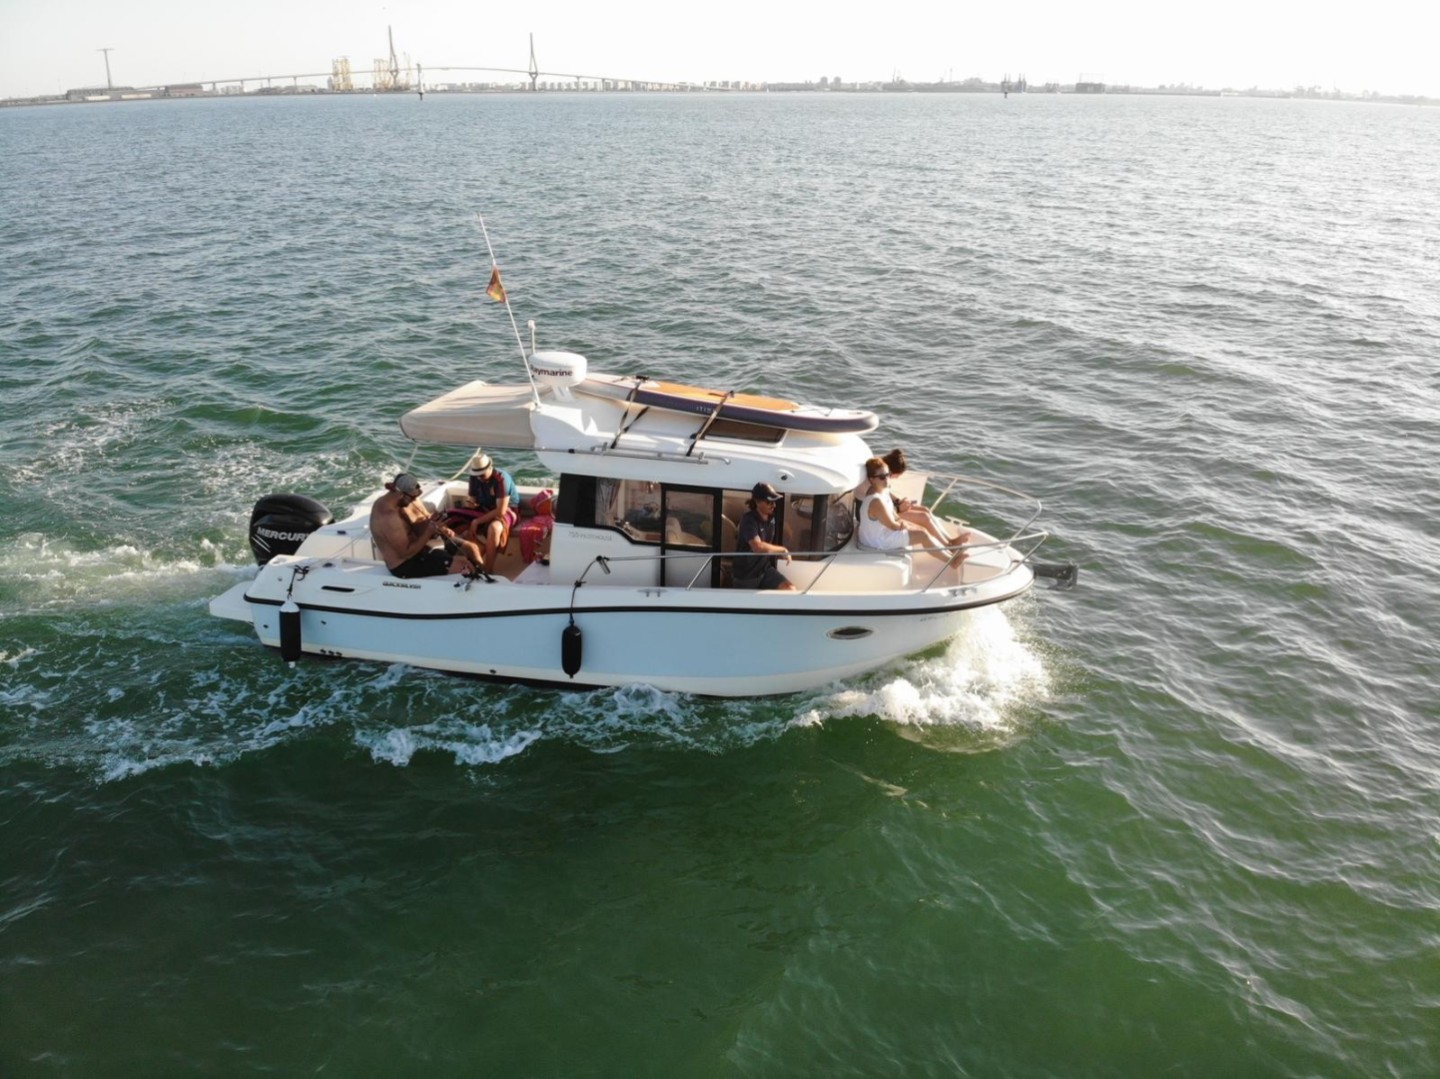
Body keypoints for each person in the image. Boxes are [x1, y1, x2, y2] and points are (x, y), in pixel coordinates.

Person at [369, 472, 484, 579]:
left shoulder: (396, 503)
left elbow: (417, 528)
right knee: (464, 565)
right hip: (405, 565)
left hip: (419, 551)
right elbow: (405, 553)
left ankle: (485, 576)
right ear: (401, 494)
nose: (414, 501)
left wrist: (434, 524)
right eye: (412, 497)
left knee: (469, 552)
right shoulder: (389, 518)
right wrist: (429, 531)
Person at [858, 457, 962, 561]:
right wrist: (908, 526)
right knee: (923, 535)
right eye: (881, 477)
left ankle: (949, 552)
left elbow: (895, 516)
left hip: (881, 533)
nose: (886, 479)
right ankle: (952, 561)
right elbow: (893, 525)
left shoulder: (883, 491)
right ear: (871, 479)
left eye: (887, 475)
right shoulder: (876, 501)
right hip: (878, 540)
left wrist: (910, 525)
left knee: (922, 529)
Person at [881, 447, 972, 548]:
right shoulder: (882, 479)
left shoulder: (882, 476)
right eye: (897, 475)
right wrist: (898, 508)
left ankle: (949, 539)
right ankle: (947, 544)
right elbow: (879, 504)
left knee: (925, 510)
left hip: (890, 506)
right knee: (924, 517)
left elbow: (887, 493)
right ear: (893, 472)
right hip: (887, 513)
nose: (897, 478)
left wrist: (899, 501)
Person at [460, 451, 519, 570]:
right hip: (484, 508)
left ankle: (488, 568)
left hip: (508, 509)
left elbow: (500, 511)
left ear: (490, 467)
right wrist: (471, 503)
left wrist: (476, 521)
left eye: (482, 475)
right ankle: (478, 549)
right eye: (477, 475)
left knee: (494, 528)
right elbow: (473, 498)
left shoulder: (501, 479)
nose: (479, 478)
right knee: (456, 521)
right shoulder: (474, 477)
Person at [732, 482, 796, 591]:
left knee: (790, 589)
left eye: (774, 502)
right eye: (769, 502)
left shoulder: (772, 518)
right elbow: (757, 547)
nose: (774, 505)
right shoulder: (749, 520)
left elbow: (788, 534)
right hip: (746, 575)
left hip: (764, 569)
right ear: (757, 502)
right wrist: (782, 550)